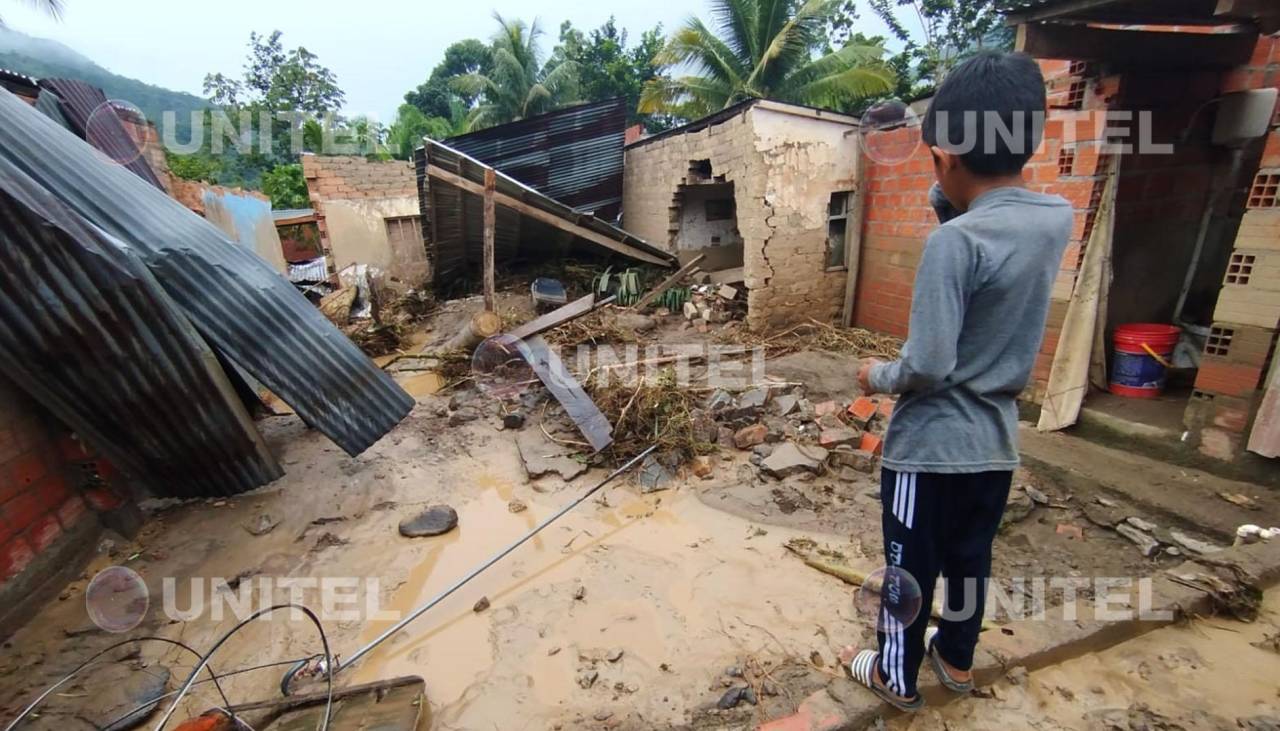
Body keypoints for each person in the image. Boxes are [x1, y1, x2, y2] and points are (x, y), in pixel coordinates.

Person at [843, 51, 1073, 711]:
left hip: (930, 450)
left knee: (907, 570)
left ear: (944, 158)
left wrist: (874, 373)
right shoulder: (1054, 220)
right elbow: (993, 242)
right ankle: (957, 659)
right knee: (970, 560)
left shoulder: (953, 245)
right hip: (995, 447)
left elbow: (929, 364)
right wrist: (954, 196)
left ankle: (894, 674)